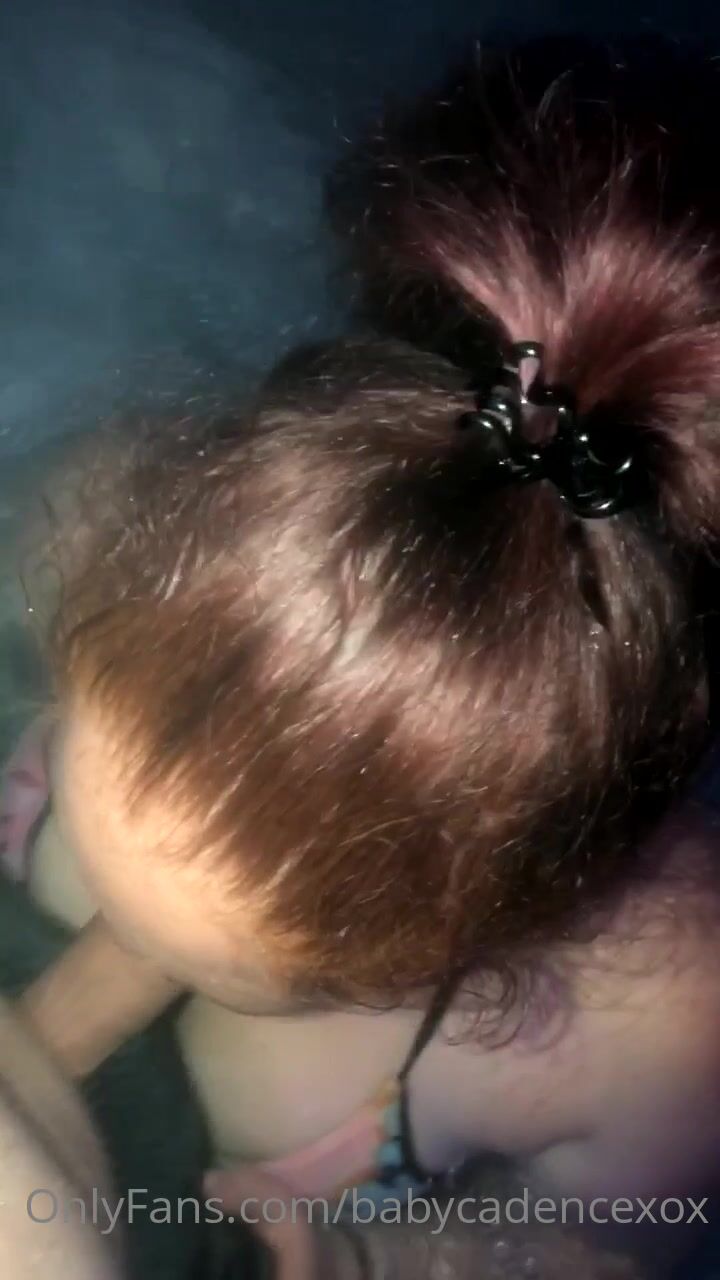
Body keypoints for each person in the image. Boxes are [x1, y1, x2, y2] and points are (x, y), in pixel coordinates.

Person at [3, 33, 720, 1277]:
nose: (133, 946)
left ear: (520, 911)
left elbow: (610, 1249)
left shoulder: (670, 1025)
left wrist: (376, 1258)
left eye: (277, 965)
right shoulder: (106, 508)